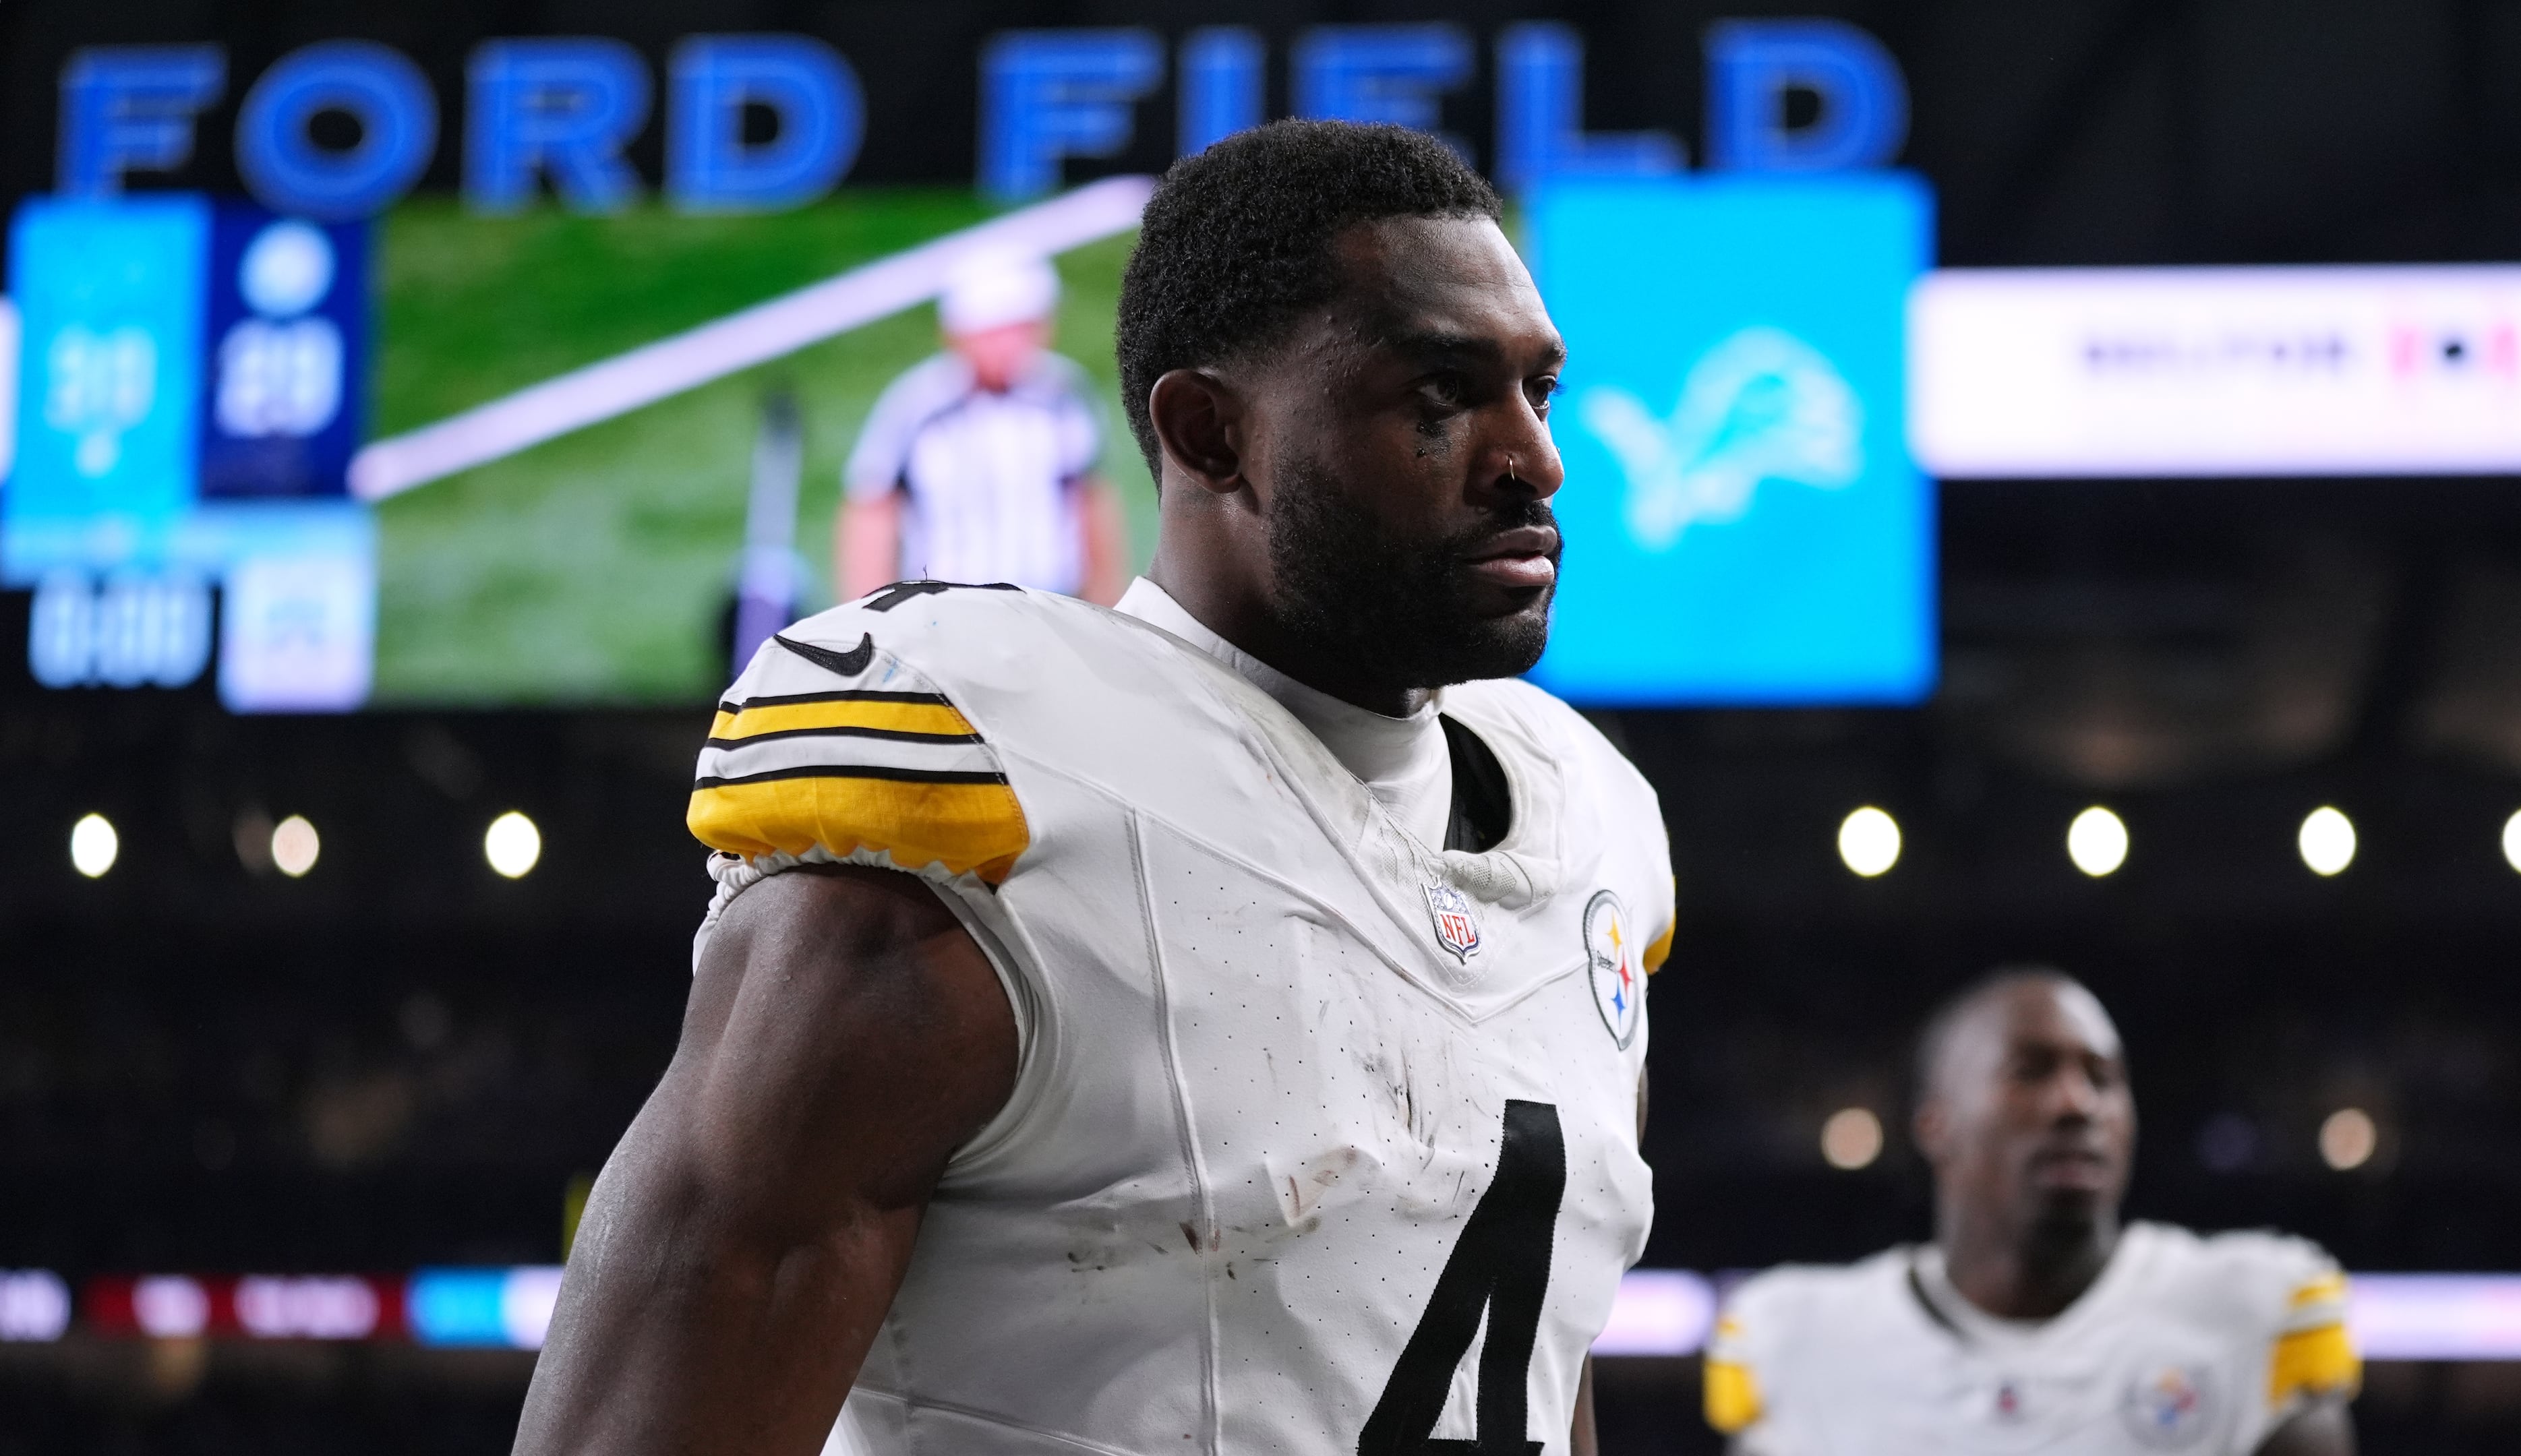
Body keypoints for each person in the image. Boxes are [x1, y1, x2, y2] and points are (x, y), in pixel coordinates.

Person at [512, 120, 1675, 1456]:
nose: (1534, 459)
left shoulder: (1593, 829)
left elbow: (1526, 1369)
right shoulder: (995, 793)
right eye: (1439, 397)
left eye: (1540, 393)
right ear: (1210, 434)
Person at [1705, 970, 2359, 1455]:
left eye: (2102, 1078)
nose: (2077, 1105)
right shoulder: (1802, 1341)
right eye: (2031, 1071)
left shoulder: (2245, 1311)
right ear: (1936, 1124)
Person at [835, 247, 1128, 605]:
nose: (1012, 346)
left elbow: (1090, 502)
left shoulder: (1063, 394)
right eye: (998, 332)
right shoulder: (918, 404)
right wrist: (869, 613)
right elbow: (872, 512)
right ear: (959, 333)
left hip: (1050, 605)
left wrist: (1106, 605)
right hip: (944, 608)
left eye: (1025, 329)